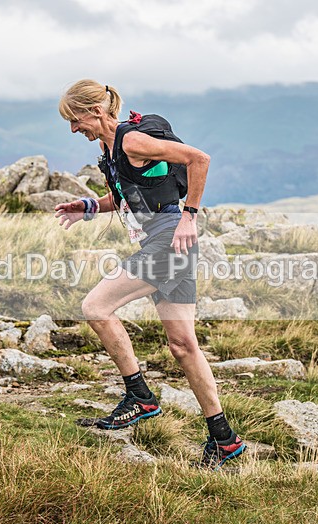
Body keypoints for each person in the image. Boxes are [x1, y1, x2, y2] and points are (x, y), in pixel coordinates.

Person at [54, 79, 245, 469]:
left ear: (95, 111)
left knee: (96, 307)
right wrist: (88, 207)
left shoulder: (131, 141)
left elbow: (199, 158)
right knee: (183, 347)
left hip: (169, 242)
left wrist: (190, 217)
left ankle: (140, 397)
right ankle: (224, 439)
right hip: (166, 245)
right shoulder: (110, 150)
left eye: (75, 120)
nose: (74, 130)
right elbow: (127, 197)